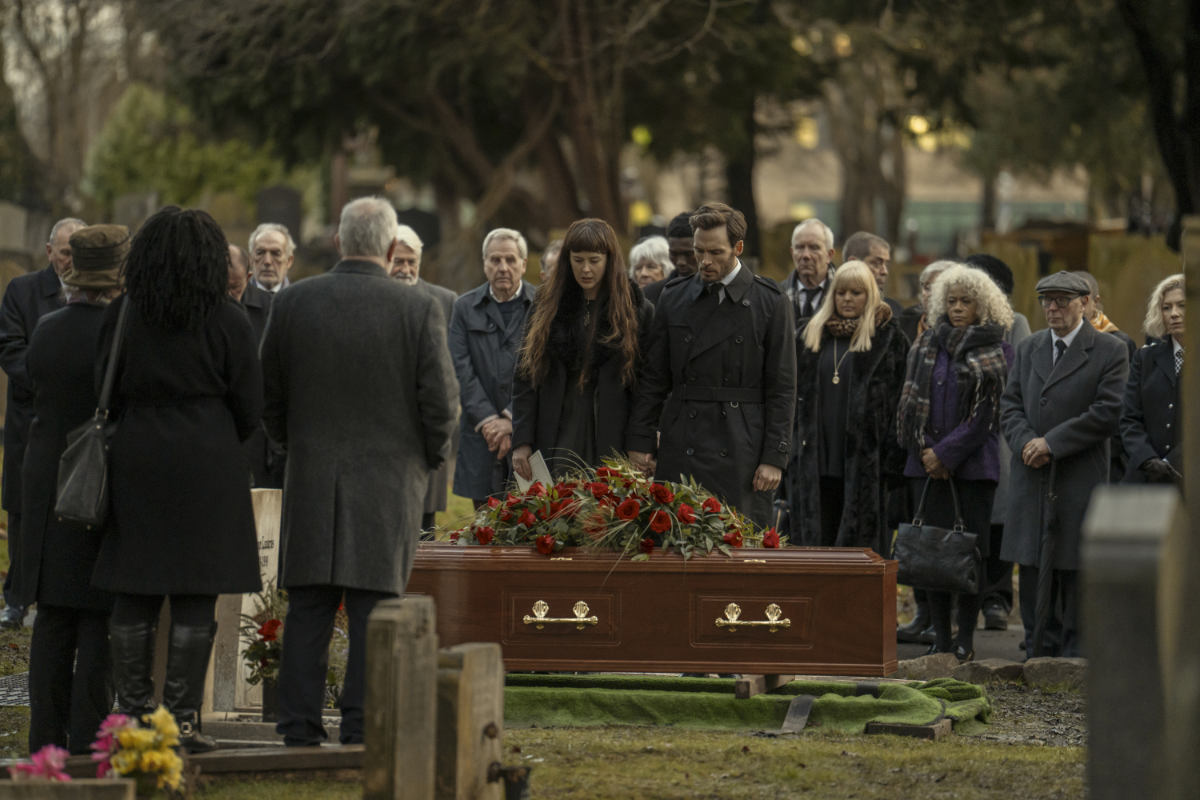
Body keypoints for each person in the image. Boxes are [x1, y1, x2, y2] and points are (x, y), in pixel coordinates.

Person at [262, 197, 458, 747]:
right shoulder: (417, 309)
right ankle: (362, 725)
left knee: (308, 607)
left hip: (312, 474)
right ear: (393, 247)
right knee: (375, 608)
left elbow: (269, 395)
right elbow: (441, 403)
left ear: (339, 241)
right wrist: (424, 460)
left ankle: (298, 726)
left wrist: (294, 446)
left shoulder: (296, 303)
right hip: (390, 481)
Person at [96, 207, 263, 752]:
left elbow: (106, 390)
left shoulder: (124, 313)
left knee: (134, 585)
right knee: (197, 591)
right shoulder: (229, 319)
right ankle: (183, 722)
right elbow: (249, 409)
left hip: (138, 456)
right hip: (207, 459)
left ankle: (134, 715)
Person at [17, 225, 125, 754]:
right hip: (103, 488)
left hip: (52, 488)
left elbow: (35, 387)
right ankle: (87, 738)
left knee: (54, 619)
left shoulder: (47, 330)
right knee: (97, 621)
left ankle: (44, 740)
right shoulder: (123, 335)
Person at [627, 202, 794, 527]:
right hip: (682, 440)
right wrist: (640, 440)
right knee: (676, 545)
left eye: (715, 252)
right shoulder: (673, 297)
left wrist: (775, 457)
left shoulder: (770, 302)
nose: (704, 261)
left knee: (740, 548)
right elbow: (654, 379)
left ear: (738, 248)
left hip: (742, 445)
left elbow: (782, 388)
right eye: (698, 251)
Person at [1000, 270, 1129, 658]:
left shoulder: (1109, 349)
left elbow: (1107, 412)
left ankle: (1074, 658)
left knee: (1074, 568)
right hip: (1032, 475)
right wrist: (1026, 442)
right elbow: (1010, 404)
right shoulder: (1031, 347)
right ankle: (1037, 650)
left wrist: (1052, 444)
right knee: (1035, 562)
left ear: (1085, 304)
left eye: (1062, 301)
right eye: (1046, 301)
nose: (1052, 308)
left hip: (1077, 476)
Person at [896, 264, 1014, 662]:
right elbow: (910, 406)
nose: (958, 308)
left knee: (968, 555)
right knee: (930, 554)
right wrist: (929, 452)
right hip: (924, 465)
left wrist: (946, 454)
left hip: (973, 469)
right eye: (951, 301)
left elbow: (986, 416)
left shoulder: (998, 348)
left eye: (966, 301)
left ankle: (965, 636)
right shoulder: (925, 344)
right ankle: (939, 635)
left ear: (982, 305)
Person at [512, 218, 653, 480]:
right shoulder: (546, 303)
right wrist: (521, 441)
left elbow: (648, 387)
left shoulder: (636, 309)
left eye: (594, 260)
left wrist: (640, 444)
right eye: (578, 260)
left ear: (609, 260)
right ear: (568, 260)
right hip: (556, 425)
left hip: (613, 429)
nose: (585, 269)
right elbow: (524, 376)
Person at [786, 261, 908, 552]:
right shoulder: (809, 337)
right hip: (814, 458)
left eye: (856, 292)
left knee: (859, 547)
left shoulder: (888, 340)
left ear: (870, 295)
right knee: (815, 541)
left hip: (866, 462)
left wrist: (892, 460)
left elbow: (900, 403)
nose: (848, 299)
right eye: (841, 292)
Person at [0, 217, 86, 629]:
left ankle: (61, 594)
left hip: (77, 426)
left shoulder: (98, 295)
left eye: (77, 252)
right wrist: (50, 380)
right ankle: (16, 597)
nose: (69, 260)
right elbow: (11, 348)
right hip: (31, 417)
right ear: (50, 250)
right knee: (22, 510)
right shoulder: (23, 291)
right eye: (64, 251)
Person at [965, 253, 1032, 631]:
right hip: (964, 435)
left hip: (1000, 434)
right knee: (971, 520)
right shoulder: (955, 323)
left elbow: (1017, 377)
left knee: (1000, 520)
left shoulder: (1014, 324)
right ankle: (966, 597)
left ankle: (997, 598)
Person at [449, 228, 537, 508]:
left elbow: (545, 368)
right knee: (484, 529)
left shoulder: (543, 306)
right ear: (484, 263)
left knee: (534, 524)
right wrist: (490, 421)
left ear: (524, 264)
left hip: (529, 436)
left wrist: (512, 419)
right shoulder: (464, 307)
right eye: (495, 260)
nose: (503, 268)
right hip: (482, 436)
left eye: (511, 260)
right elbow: (460, 368)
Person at [389, 223, 459, 531]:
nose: (405, 269)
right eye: (398, 261)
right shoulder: (374, 299)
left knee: (424, 525)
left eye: (411, 262)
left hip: (428, 427)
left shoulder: (444, 301)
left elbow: (452, 366)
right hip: (386, 430)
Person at [1120, 273, 1184, 483]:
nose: (1174, 314)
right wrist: (1147, 458)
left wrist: (1171, 462)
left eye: (1182, 305)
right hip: (1145, 477)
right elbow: (1129, 418)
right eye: (1167, 307)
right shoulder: (1144, 358)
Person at [781, 218, 836, 335]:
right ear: (792, 253)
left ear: (829, 255)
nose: (805, 255)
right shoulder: (776, 295)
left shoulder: (846, 295)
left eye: (814, 247)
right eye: (799, 247)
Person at [643, 212, 697, 304]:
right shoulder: (651, 295)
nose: (681, 262)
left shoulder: (720, 293)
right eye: (674, 254)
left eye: (688, 254)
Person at [843, 231, 901, 316]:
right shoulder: (829, 309)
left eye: (886, 264)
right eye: (877, 263)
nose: (885, 271)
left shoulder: (894, 311)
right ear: (853, 263)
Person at [249, 222, 296, 292]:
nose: (267, 261)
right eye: (260, 253)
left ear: (289, 261)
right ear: (251, 259)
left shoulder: (300, 300)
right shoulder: (236, 298)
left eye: (276, 254)